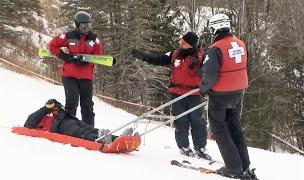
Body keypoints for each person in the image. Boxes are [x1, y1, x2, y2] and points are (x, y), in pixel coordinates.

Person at [131, 32, 211, 160]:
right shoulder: (174, 53)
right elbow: (157, 59)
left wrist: (200, 71)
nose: (180, 43)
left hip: (194, 94)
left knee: (198, 122)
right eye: (181, 41)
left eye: (184, 42)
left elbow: (210, 72)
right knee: (180, 121)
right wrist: (142, 56)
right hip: (176, 93)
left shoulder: (201, 56)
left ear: (191, 45)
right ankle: (184, 146)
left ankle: (200, 147)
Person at [199, 13, 257, 178]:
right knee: (234, 126)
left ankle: (232, 166)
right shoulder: (240, 43)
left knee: (219, 128)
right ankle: (243, 163)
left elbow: (210, 74)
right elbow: (247, 66)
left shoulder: (216, 48)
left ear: (215, 28)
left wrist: (203, 89)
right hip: (239, 91)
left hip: (221, 93)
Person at [48, 11, 103, 128]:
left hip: (86, 76)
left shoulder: (94, 38)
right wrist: (66, 57)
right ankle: (68, 127)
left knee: (87, 104)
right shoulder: (68, 36)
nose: (86, 28)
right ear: (77, 25)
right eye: (83, 26)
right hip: (69, 75)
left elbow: (98, 54)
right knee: (72, 101)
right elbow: (52, 45)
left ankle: (89, 129)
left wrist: (87, 60)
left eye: (88, 25)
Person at [24, 99, 134, 144]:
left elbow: (60, 107)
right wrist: (46, 108)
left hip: (69, 119)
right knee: (83, 133)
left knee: (92, 129)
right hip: (60, 126)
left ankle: (119, 138)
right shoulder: (36, 120)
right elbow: (28, 123)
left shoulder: (51, 115)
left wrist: (55, 105)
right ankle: (101, 140)